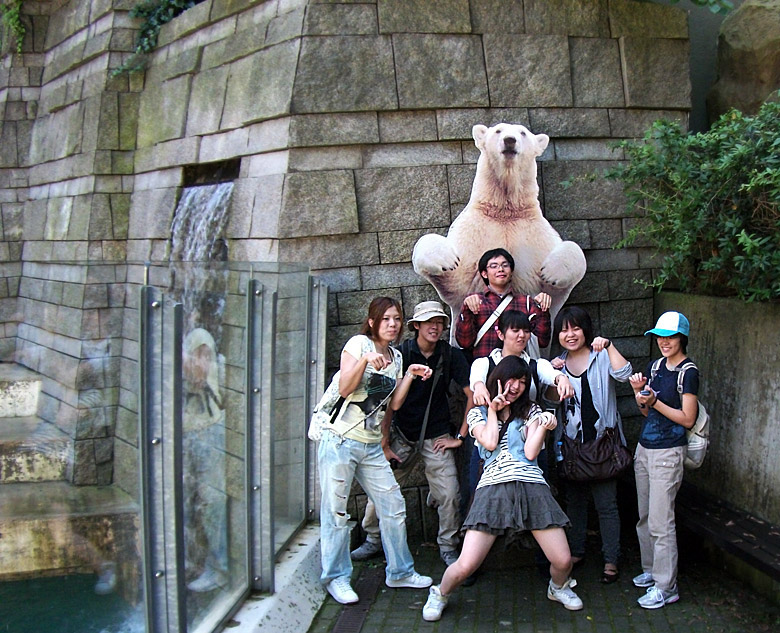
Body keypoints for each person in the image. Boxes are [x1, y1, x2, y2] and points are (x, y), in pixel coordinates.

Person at [421, 356, 583, 622]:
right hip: (492, 488)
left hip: (532, 486)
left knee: (563, 561)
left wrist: (543, 425)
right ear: (497, 378)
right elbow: (490, 443)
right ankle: (439, 592)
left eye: (522, 382)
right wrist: (494, 410)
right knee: (465, 565)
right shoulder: (477, 412)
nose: (517, 386)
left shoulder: (531, 410)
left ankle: (558, 587)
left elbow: (531, 453)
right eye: (512, 379)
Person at [318, 296, 434, 605]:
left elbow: (388, 404)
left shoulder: (395, 357)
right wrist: (366, 361)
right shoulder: (358, 345)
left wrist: (409, 374)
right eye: (386, 319)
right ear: (372, 322)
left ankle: (400, 572)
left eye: (397, 318)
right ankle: (336, 578)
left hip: (369, 446)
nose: (393, 324)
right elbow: (345, 388)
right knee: (336, 512)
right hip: (339, 438)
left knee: (393, 505)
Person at [351, 301, 473, 567]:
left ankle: (448, 545)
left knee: (450, 494)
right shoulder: (401, 354)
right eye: (429, 321)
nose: (435, 327)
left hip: (437, 437)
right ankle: (373, 538)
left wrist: (461, 437)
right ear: (416, 325)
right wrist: (384, 443)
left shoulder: (451, 355)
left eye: (439, 322)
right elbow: (386, 403)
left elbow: (471, 396)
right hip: (401, 435)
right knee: (380, 490)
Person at [551, 306, 632, 584]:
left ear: (586, 330)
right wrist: (553, 376)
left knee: (607, 505)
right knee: (574, 503)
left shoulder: (601, 356)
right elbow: (550, 402)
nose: (570, 334)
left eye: (575, 328)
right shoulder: (557, 365)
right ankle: (576, 552)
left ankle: (611, 559)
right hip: (572, 447)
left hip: (603, 446)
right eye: (564, 329)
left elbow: (625, 375)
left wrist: (609, 346)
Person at [629, 311, 699, 610]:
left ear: (681, 337)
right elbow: (647, 411)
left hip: (669, 451)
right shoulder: (656, 366)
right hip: (645, 447)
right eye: (660, 336)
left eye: (670, 337)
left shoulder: (689, 371)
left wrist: (655, 401)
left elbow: (687, 418)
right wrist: (639, 394)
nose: (664, 342)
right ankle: (650, 571)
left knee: (661, 521)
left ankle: (666, 586)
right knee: (645, 517)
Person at [182, 328, 228, 593]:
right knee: (193, 499)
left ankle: (219, 567)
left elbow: (198, 376)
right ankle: (198, 561)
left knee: (212, 500)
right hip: (190, 430)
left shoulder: (199, 337)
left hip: (207, 430)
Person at [455, 248, 552, 361]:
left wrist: (543, 309)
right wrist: (467, 311)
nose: (500, 269)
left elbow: (542, 341)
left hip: (519, 371)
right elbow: (464, 342)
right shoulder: (475, 302)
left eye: (505, 265)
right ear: (484, 273)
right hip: (485, 373)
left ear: (511, 271)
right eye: (494, 266)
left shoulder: (526, 302)